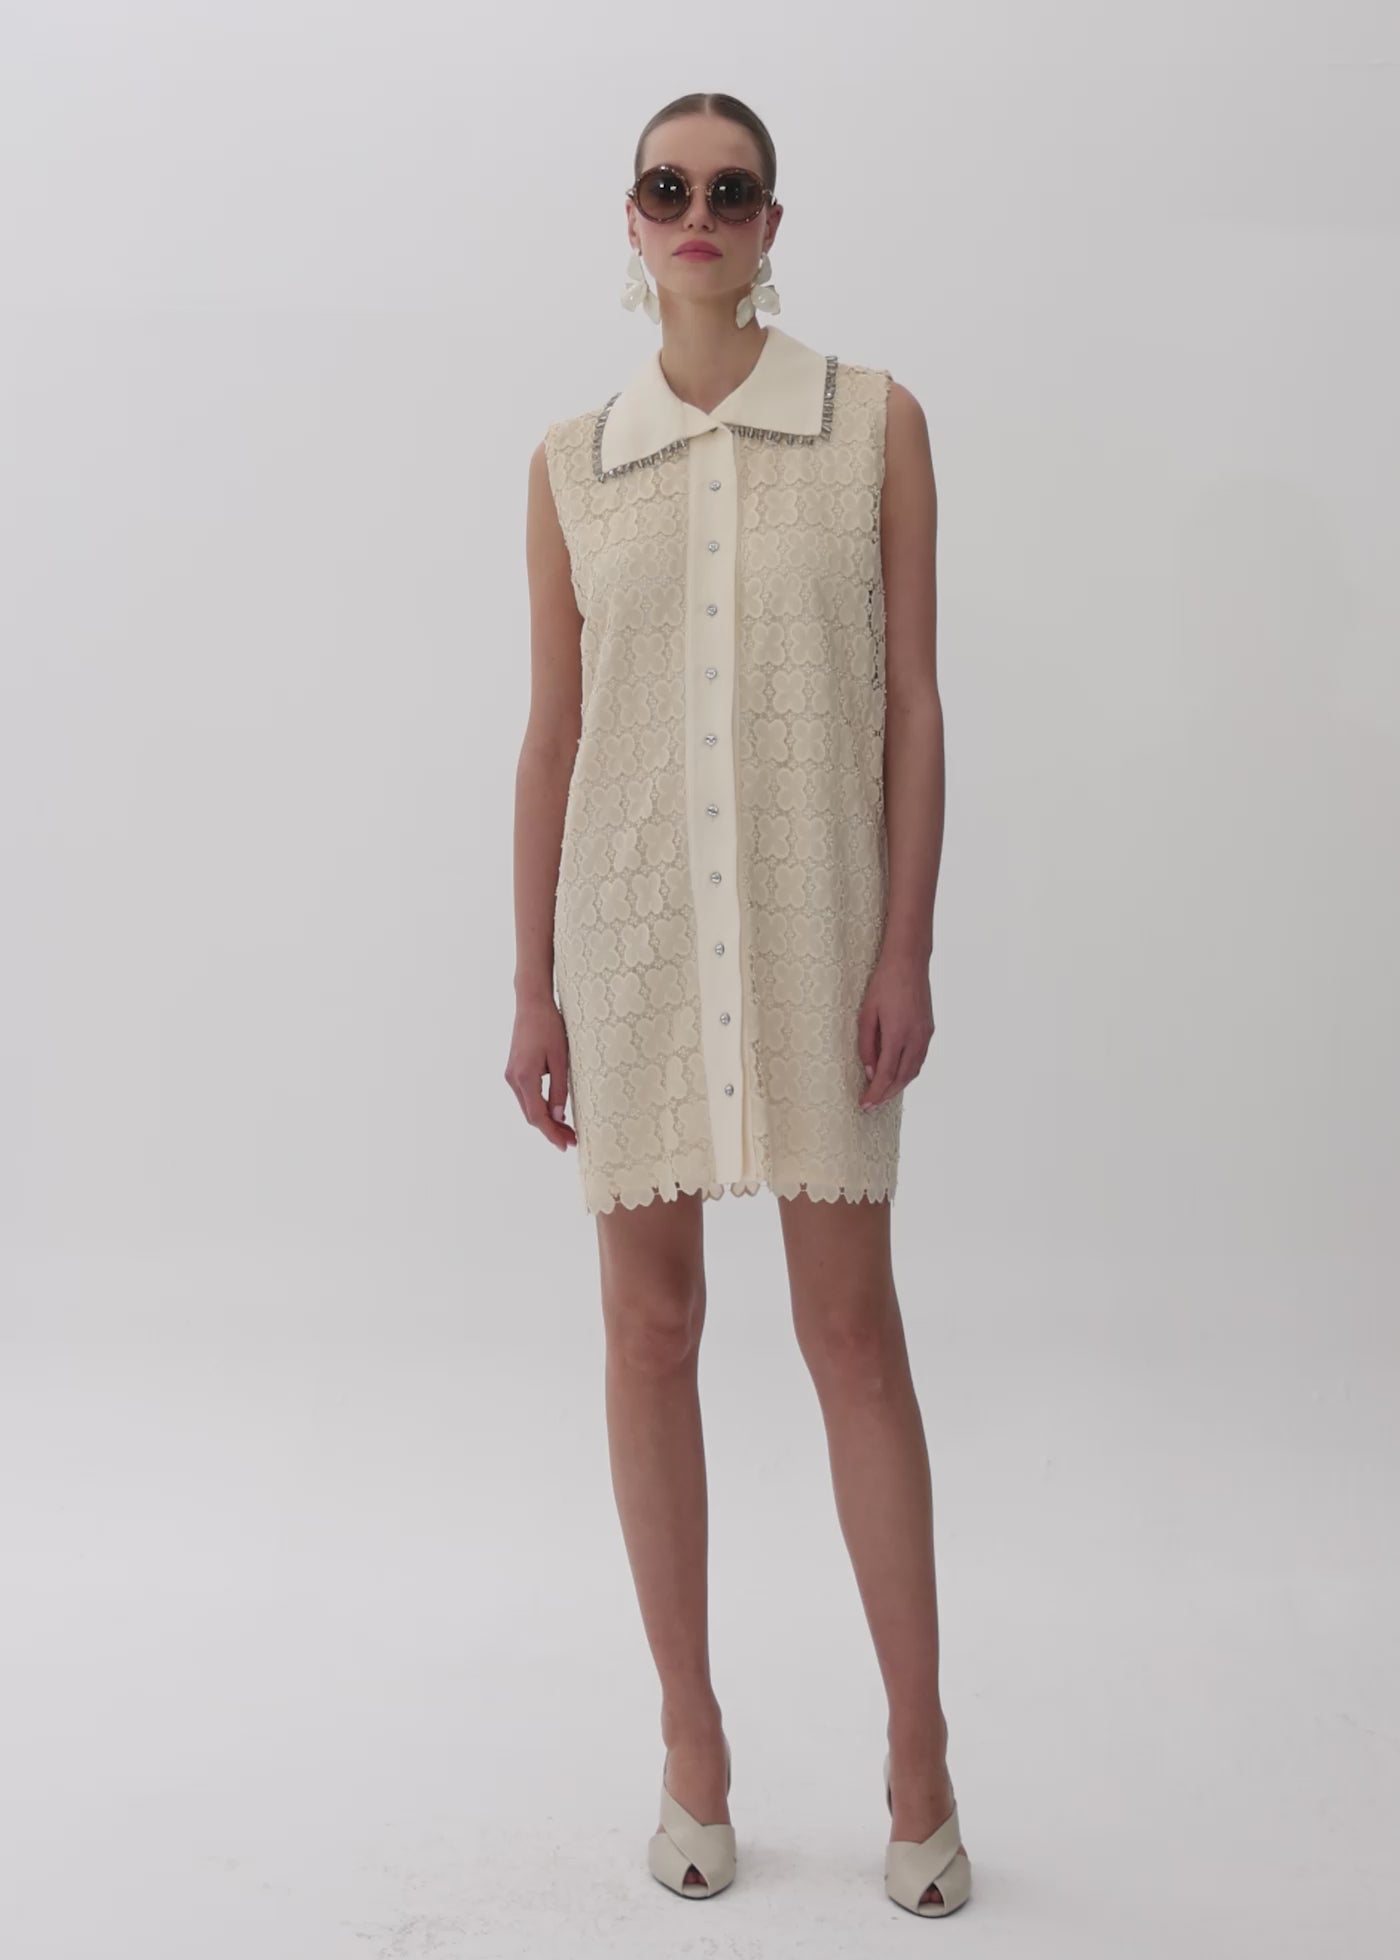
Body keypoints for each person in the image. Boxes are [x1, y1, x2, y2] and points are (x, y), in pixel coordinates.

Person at [506, 90, 968, 1918]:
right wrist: (531, 982)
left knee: (851, 1332)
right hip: (629, 943)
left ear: (774, 222)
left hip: (817, 933)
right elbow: (552, 735)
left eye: (731, 187)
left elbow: (914, 704)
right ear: (631, 221)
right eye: (665, 185)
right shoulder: (570, 464)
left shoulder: (875, 424)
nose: (696, 209)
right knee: (651, 1330)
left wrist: (905, 943)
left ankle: (919, 1756)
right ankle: (691, 1747)